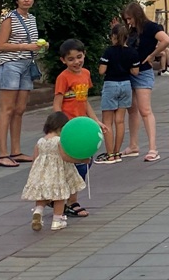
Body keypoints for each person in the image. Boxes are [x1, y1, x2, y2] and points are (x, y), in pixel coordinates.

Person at [53, 38, 108, 218]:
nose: (76, 62)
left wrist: (96, 121)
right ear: (63, 61)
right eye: (71, 59)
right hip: (69, 128)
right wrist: (59, 128)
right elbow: (57, 104)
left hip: (83, 126)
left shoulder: (85, 73)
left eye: (79, 57)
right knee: (76, 165)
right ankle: (70, 202)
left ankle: (65, 199)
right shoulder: (63, 78)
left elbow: (84, 103)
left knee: (85, 162)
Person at [0, 0, 42, 168]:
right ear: (17, 0)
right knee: (7, 109)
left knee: (20, 109)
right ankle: (2, 153)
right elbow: (0, 45)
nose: (26, 0)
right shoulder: (9, 18)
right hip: (11, 65)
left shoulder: (31, 19)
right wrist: (26, 47)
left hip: (26, 66)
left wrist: (38, 47)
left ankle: (16, 150)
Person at [122, 2, 169, 162]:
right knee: (132, 110)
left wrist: (152, 55)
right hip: (129, 72)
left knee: (145, 109)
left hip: (143, 72)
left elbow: (166, 40)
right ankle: (133, 145)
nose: (128, 22)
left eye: (129, 18)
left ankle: (152, 148)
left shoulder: (150, 27)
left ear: (137, 15)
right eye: (126, 19)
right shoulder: (131, 30)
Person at [22, 112, 86, 232]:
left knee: (41, 196)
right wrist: (80, 160)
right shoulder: (59, 141)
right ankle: (57, 220)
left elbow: (35, 158)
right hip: (57, 174)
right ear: (62, 127)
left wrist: (34, 174)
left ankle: (38, 211)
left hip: (41, 173)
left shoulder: (41, 141)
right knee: (59, 197)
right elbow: (64, 157)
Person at [95, 24, 140, 165]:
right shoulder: (132, 52)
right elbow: (135, 72)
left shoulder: (109, 51)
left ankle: (109, 155)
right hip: (126, 85)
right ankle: (117, 152)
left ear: (113, 37)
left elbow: (102, 70)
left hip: (111, 85)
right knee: (120, 121)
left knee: (107, 122)